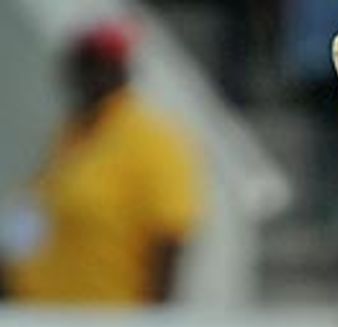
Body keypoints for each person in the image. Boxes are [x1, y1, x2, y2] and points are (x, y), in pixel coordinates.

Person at [0, 20, 205, 306]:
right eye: (82, 65)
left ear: (120, 71)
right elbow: (35, 214)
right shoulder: (71, 135)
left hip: (105, 326)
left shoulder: (151, 140)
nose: (85, 76)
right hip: (41, 318)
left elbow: (169, 238)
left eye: (97, 65)